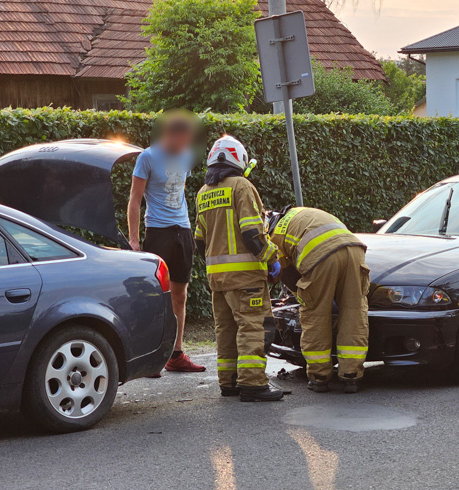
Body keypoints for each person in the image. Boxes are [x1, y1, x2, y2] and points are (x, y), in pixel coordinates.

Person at [194, 135, 283, 402]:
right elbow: (252, 233)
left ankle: (229, 382)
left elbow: (199, 240)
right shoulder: (242, 187)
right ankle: (253, 384)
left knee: (226, 330)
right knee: (252, 327)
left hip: (217, 280)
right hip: (245, 278)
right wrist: (272, 258)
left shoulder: (203, 192)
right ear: (239, 159)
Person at [128, 112, 205, 373]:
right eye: (182, 139)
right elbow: (135, 200)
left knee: (180, 295)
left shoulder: (186, 156)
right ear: (170, 134)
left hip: (182, 230)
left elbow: (180, 191)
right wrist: (134, 240)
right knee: (155, 297)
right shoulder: (147, 157)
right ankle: (151, 357)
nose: (185, 146)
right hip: (157, 231)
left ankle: (176, 354)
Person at [266, 206, 369, 393]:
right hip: (355, 250)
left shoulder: (275, 236)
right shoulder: (303, 213)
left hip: (321, 257)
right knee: (354, 313)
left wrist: (302, 295)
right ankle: (351, 376)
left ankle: (319, 376)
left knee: (316, 315)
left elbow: (286, 273)